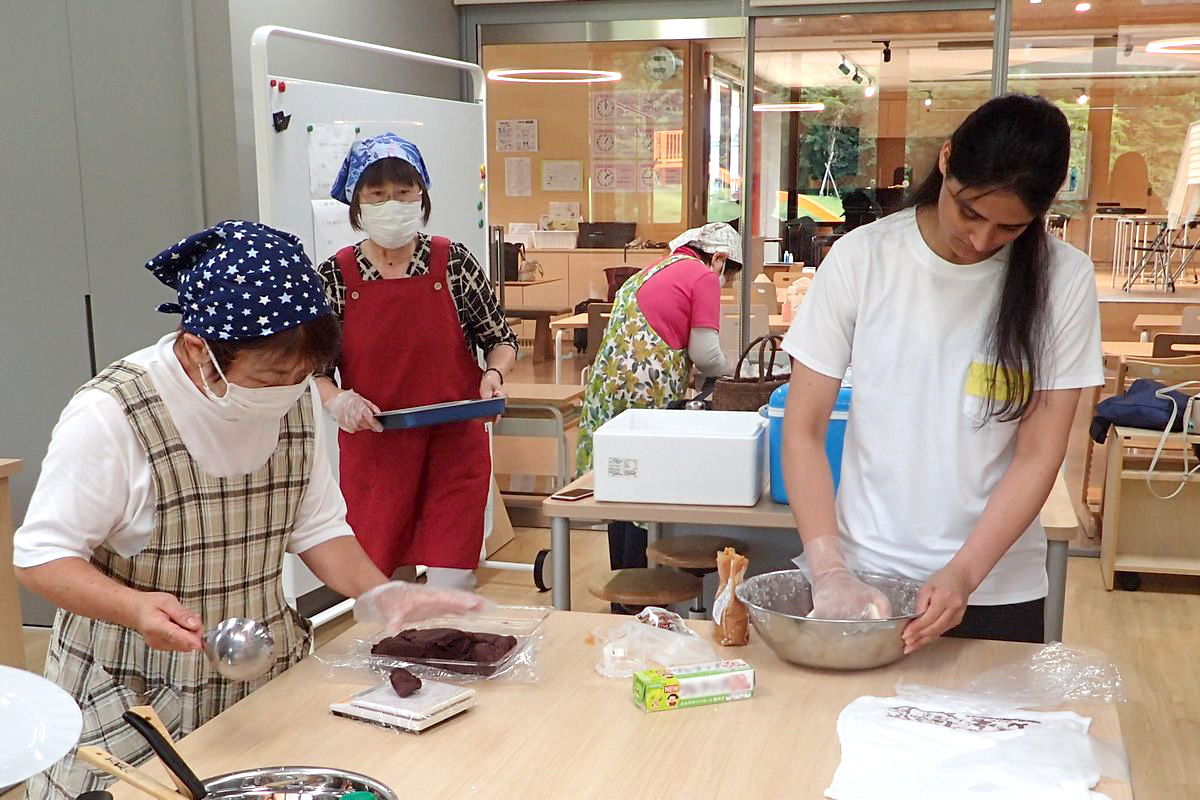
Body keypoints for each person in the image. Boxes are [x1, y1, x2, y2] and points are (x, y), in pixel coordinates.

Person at [13, 222, 483, 800]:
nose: (286, 393)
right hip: (135, 694)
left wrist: (380, 593)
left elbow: (316, 526)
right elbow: (39, 558)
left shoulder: (293, 395)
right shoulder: (113, 415)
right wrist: (135, 608)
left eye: (300, 376)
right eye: (268, 377)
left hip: (259, 681)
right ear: (196, 350)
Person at [781, 94, 1102, 650]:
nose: (980, 242)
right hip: (867, 585)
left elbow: (1038, 455)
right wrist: (829, 569)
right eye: (970, 213)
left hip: (997, 588)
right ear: (947, 160)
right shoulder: (864, 258)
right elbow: (804, 430)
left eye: (1009, 228)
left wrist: (964, 574)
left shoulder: (1063, 280)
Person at [315, 134, 518, 592]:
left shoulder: (453, 262)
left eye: (404, 192)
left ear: (422, 195)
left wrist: (494, 373)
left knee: (451, 580)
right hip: (376, 451)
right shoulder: (334, 275)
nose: (393, 203)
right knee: (384, 587)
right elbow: (315, 369)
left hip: (453, 445)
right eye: (378, 193)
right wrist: (337, 401)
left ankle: (448, 660)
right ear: (356, 203)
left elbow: (500, 340)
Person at [575, 222, 742, 581]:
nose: (726, 283)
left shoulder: (653, 268)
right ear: (720, 258)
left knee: (619, 480)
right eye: (730, 275)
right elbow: (706, 355)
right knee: (645, 484)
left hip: (607, 385)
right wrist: (735, 365)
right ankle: (645, 590)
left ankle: (623, 586)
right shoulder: (703, 276)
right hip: (646, 386)